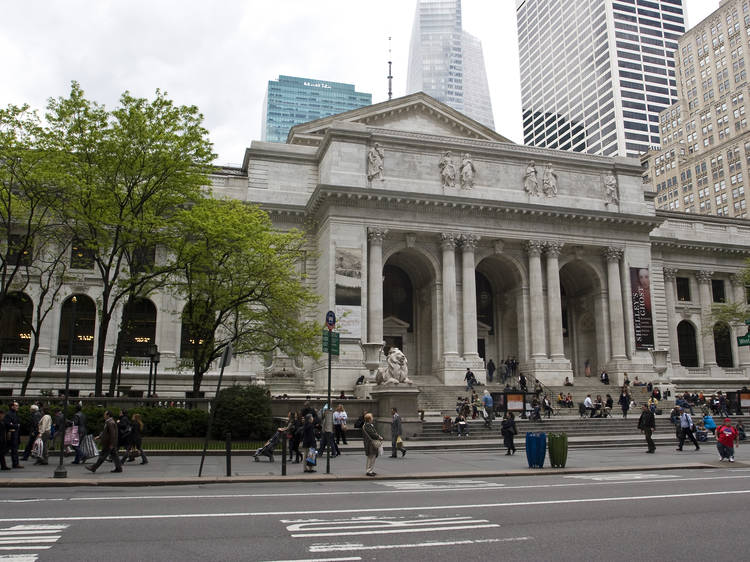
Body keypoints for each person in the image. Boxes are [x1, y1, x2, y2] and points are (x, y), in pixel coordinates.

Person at [5, 402, 22, 469]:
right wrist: (15, 425)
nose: (18, 407)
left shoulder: (15, 413)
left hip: (15, 433)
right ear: (12, 406)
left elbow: (17, 423)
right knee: (11, 449)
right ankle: (15, 463)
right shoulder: (9, 414)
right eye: (16, 405)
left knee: (15, 449)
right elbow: (8, 424)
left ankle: (16, 463)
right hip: (12, 434)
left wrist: (14, 425)